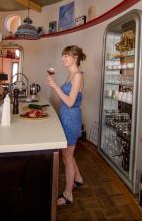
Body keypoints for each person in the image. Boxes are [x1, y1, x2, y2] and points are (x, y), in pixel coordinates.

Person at [46, 45, 86, 206]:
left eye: (66, 56)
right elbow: (65, 98)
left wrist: (55, 86)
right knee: (68, 153)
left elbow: (69, 102)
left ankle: (68, 194)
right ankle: (78, 178)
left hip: (71, 118)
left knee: (66, 157)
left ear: (75, 57)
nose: (63, 59)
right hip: (64, 116)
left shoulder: (77, 76)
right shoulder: (70, 75)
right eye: (63, 56)